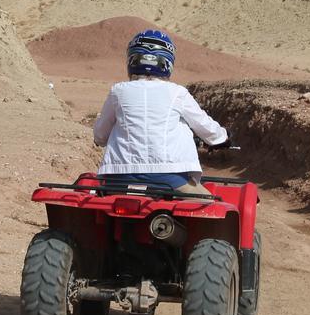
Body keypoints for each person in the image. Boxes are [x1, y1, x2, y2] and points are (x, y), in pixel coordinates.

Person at [93, 29, 230, 195]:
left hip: (119, 177)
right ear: (167, 62)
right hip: (168, 177)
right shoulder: (177, 93)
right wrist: (222, 138)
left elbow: (100, 136)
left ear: (132, 60)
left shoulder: (118, 91)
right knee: (211, 206)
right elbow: (204, 125)